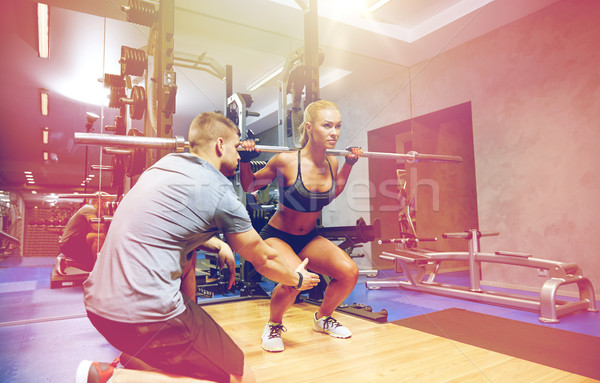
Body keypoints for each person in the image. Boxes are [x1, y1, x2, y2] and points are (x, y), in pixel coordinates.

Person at [76, 112, 320, 383]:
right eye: (236, 148)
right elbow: (263, 259)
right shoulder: (218, 191)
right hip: (147, 315)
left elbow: (167, 225)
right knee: (242, 378)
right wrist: (297, 278)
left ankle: (133, 363)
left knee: (186, 267)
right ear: (219, 145)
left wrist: (217, 244)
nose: (240, 157)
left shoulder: (162, 167)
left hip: (98, 306)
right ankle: (114, 379)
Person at [238, 99, 363, 352]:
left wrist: (349, 164)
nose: (334, 132)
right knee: (298, 279)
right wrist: (244, 161)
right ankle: (273, 325)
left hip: (309, 238)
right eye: (327, 125)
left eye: (337, 126)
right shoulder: (285, 160)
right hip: (278, 235)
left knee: (349, 272)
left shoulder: (333, 162)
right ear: (309, 127)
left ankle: (322, 318)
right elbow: (250, 186)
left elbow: (334, 190)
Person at [56, 193, 108, 274]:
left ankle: (66, 262)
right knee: (99, 237)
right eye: (108, 203)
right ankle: (98, 267)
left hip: (77, 242)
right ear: (100, 202)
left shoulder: (95, 213)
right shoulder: (89, 209)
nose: (108, 207)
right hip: (69, 244)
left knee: (90, 266)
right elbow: (98, 228)